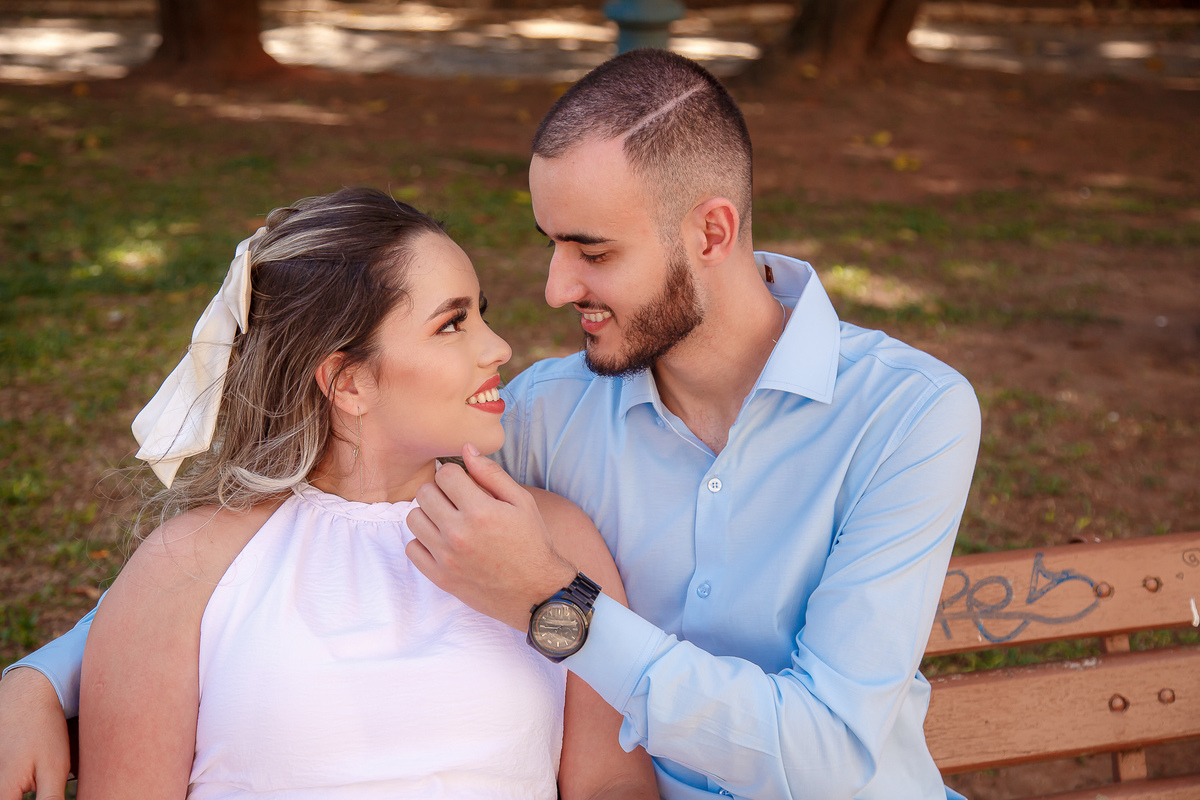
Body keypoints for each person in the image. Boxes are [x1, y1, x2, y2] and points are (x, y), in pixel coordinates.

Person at [0, 51, 980, 800]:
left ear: (711, 233)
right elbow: (245, 559)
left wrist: (555, 605)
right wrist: (39, 678)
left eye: (592, 251)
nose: (554, 290)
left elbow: (827, 755)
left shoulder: (908, 416)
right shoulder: (540, 413)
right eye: (550, 245)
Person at [47, 187, 657, 799]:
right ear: (349, 382)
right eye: (452, 324)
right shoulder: (189, 564)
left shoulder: (553, 538)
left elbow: (612, 783)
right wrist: (34, 682)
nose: (498, 347)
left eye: (479, 313)